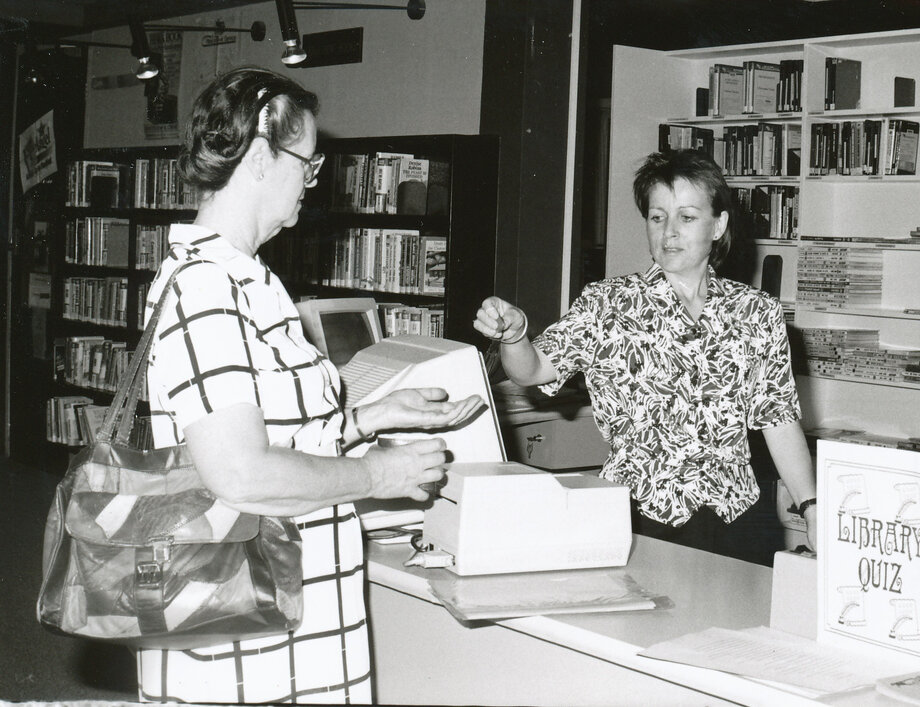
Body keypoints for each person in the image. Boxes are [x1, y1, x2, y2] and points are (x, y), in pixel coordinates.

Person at [136, 66, 483, 704]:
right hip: (245, 651)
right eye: (308, 162)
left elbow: (275, 431)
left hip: (288, 629)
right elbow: (240, 473)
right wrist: (378, 476)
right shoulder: (206, 289)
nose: (312, 181)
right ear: (263, 154)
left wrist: (367, 417)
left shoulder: (251, 282)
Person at [474, 149, 817, 562]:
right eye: (658, 217)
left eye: (686, 217)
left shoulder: (757, 312)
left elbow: (778, 419)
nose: (669, 232)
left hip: (738, 520)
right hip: (639, 520)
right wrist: (514, 336)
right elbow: (532, 369)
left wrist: (810, 506)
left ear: (719, 224)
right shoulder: (609, 304)